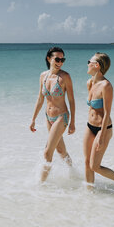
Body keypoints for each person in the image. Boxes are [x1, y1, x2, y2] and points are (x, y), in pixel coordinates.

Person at [83, 52, 114, 195]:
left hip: (103, 128)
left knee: (94, 166)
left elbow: (107, 113)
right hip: (90, 127)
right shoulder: (90, 82)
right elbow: (92, 107)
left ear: (96, 65)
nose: (87, 63)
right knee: (86, 163)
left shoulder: (106, 86)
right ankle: (89, 193)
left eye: (89, 61)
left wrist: (102, 136)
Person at [30, 47, 75, 182]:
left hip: (62, 117)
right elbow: (40, 98)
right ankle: (74, 173)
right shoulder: (43, 76)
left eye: (62, 59)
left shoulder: (65, 77)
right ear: (49, 58)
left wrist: (72, 122)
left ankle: (40, 185)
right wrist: (33, 119)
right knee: (61, 151)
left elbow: (72, 100)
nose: (60, 62)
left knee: (47, 152)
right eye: (57, 59)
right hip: (48, 117)